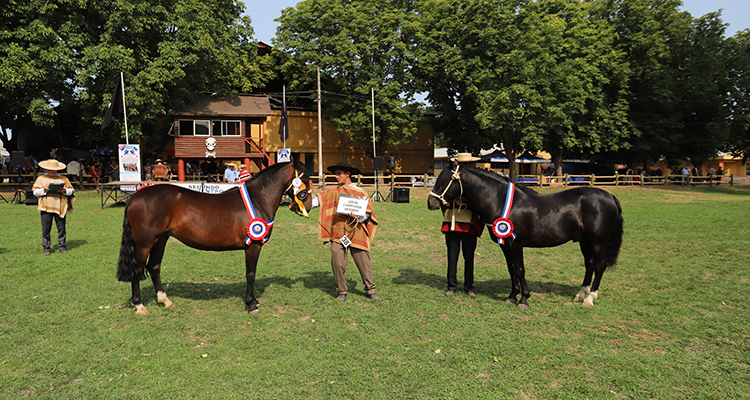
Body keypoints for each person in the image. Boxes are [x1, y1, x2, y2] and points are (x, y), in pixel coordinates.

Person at [310, 162, 379, 303]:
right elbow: (314, 203)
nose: (336, 177)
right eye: (335, 174)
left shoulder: (361, 193)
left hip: (356, 231)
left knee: (363, 262)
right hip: (338, 232)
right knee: (337, 261)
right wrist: (300, 206)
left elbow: (368, 214)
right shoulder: (332, 192)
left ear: (348, 174)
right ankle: (342, 291)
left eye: (339, 173)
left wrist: (358, 217)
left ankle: (370, 289)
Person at [440, 153, 483, 299]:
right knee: (452, 257)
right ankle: (451, 286)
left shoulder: (476, 183)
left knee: (469, 257)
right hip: (452, 224)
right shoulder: (451, 181)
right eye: (461, 163)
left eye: (467, 163)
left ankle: (469, 287)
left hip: (469, 225)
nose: (464, 166)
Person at [33, 159, 75, 256]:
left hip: (60, 206)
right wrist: (43, 189)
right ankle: (46, 248)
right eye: (50, 169)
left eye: (54, 170)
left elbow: (71, 191)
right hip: (46, 207)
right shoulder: (41, 179)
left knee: (61, 228)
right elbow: (35, 192)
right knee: (46, 229)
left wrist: (64, 190)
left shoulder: (63, 179)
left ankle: (62, 246)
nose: (51, 171)